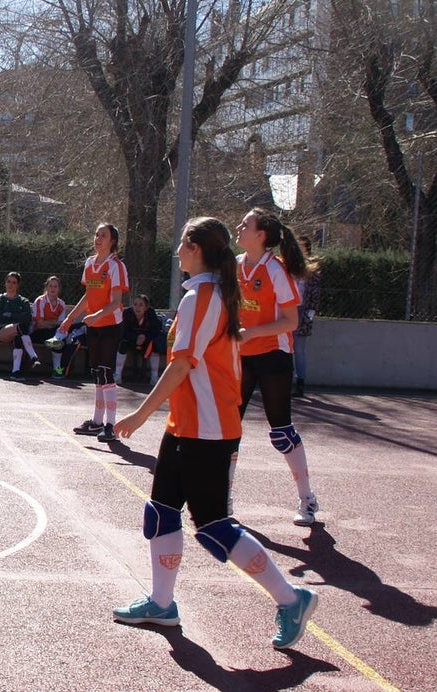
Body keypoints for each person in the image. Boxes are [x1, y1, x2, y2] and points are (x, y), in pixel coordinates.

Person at [111, 216, 319, 650]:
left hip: (208, 429)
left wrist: (140, 415)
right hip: (188, 425)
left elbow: (182, 363)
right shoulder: (208, 293)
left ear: (196, 248)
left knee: (213, 526)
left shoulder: (202, 297)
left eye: (182, 244)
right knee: (161, 512)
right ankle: (162, 603)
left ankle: (291, 598)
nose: (176, 252)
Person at [234, 207, 319, 526]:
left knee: (281, 431)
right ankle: (224, 499)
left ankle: (307, 499)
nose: (239, 227)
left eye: (246, 224)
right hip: (241, 355)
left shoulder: (276, 271)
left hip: (273, 355)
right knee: (231, 428)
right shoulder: (235, 267)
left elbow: (291, 321)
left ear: (261, 236)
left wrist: (253, 332)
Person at [60, 223, 129, 442]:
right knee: (97, 372)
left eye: (103, 235)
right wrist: (70, 319)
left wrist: (97, 315)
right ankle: (97, 421)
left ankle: (111, 425)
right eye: (96, 234)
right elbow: (89, 296)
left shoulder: (116, 266)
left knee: (107, 372)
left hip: (110, 325)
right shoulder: (90, 263)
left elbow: (117, 302)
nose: (98, 238)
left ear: (113, 241)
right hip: (94, 325)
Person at [0, 271, 42, 380]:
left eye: (14, 282)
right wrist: (18, 316)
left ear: (17, 285)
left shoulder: (23, 301)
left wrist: (9, 315)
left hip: (19, 331)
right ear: (5, 283)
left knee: (18, 336)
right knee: (20, 327)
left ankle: (15, 372)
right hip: (2, 332)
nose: (10, 285)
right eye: (8, 281)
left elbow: (28, 318)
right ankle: (33, 356)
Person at [115, 294, 166, 386]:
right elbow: (123, 332)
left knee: (155, 346)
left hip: (146, 342)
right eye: (135, 304)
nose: (137, 307)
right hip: (132, 341)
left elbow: (156, 331)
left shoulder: (151, 313)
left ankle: (154, 377)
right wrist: (136, 337)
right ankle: (117, 375)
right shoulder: (127, 313)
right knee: (122, 344)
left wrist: (144, 337)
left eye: (141, 305)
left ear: (146, 308)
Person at [292, 235, 321, 398]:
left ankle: (300, 381)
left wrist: (310, 312)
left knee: (299, 348)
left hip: (302, 310)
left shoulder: (312, 267)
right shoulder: (288, 264)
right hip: (287, 309)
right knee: (285, 347)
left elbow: (315, 291)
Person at [31, 275, 68, 378]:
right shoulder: (40, 301)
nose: (53, 289)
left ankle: (57, 370)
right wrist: (53, 322)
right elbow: (39, 323)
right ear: (46, 287)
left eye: (55, 286)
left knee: (61, 339)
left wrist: (49, 322)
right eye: (50, 286)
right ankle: (57, 369)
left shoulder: (61, 304)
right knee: (59, 338)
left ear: (59, 289)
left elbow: (62, 323)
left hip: (53, 333)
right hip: (38, 333)